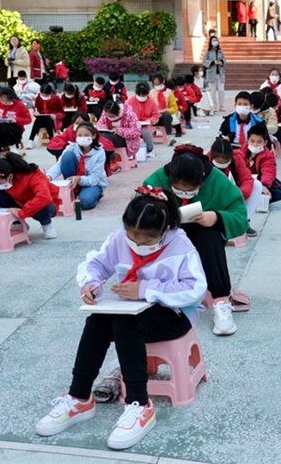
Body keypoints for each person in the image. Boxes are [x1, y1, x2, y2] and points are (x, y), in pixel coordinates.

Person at [35, 190, 207, 449]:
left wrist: (145, 289)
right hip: (132, 308)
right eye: (131, 235)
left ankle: (139, 404)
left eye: (146, 239)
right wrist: (90, 284)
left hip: (177, 311)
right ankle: (79, 397)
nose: (136, 243)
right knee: (97, 321)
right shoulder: (119, 239)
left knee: (126, 327)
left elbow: (195, 289)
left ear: (166, 229)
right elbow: (96, 264)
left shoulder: (181, 247)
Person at [144, 145, 249, 334]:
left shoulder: (216, 180)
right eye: (178, 189)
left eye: (190, 190)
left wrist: (216, 217)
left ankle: (221, 301)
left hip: (204, 236)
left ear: (201, 181)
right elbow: (138, 211)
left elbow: (241, 216)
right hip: (168, 235)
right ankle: (159, 293)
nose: (184, 194)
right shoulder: (157, 179)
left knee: (210, 235)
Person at [0, 153, 60, 239]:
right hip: (19, 202)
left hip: (44, 203)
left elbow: (44, 197)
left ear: (10, 176)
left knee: (42, 206)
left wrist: (22, 213)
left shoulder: (33, 174)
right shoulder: (3, 178)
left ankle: (46, 224)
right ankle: (18, 223)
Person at [46, 122, 107, 210]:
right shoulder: (72, 147)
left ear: (93, 136)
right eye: (80, 135)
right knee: (67, 156)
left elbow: (94, 178)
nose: (83, 138)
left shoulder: (99, 153)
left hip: (92, 183)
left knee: (85, 202)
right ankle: (73, 191)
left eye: (86, 135)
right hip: (73, 180)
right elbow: (59, 165)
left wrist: (79, 179)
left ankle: (97, 194)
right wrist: (49, 176)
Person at [210, 137, 262, 237]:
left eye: (225, 162)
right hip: (214, 195)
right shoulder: (205, 161)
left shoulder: (237, 158)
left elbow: (246, 178)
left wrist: (240, 195)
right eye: (219, 162)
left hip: (233, 193)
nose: (222, 164)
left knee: (256, 185)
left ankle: (244, 222)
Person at [244, 123, 281, 203]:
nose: (255, 144)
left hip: (262, 181)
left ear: (265, 142)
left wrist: (264, 185)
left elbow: (268, 171)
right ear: (248, 140)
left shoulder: (268, 156)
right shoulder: (241, 152)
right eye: (252, 141)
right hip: (246, 180)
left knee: (277, 195)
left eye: (259, 142)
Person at [0, 87, 31, 159]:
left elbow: (28, 119)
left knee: (6, 127)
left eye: (7, 100)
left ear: (12, 98)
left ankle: (13, 147)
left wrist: (16, 119)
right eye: (2, 100)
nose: (4, 102)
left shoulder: (19, 105)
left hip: (14, 128)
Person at [125, 82, 159, 158]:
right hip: (133, 124)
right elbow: (126, 114)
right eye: (139, 94)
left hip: (146, 125)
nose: (141, 96)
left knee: (145, 131)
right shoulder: (130, 101)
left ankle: (150, 149)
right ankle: (129, 150)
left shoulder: (152, 102)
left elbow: (156, 115)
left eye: (143, 95)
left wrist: (150, 120)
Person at [27, 84, 64, 149]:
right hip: (41, 119)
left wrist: (56, 115)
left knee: (46, 118)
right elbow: (36, 109)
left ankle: (50, 139)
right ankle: (31, 140)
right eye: (42, 94)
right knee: (39, 119)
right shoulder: (38, 98)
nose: (44, 96)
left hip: (52, 120)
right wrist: (36, 112)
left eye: (46, 95)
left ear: (50, 93)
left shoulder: (56, 98)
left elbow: (62, 112)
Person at [149, 74, 177, 145]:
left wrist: (167, 111)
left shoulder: (169, 92)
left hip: (165, 117)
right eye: (155, 84)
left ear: (163, 81)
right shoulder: (151, 93)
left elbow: (174, 107)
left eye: (158, 84)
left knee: (166, 115)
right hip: (154, 117)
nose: (157, 85)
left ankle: (169, 137)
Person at [203, 36, 226, 113]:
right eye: (213, 40)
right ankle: (214, 106)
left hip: (220, 74)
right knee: (212, 91)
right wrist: (212, 62)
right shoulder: (208, 52)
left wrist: (221, 62)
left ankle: (222, 106)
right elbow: (204, 61)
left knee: (221, 90)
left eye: (216, 40)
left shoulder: (220, 51)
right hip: (211, 74)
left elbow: (224, 59)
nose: (215, 42)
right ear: (210, 42)